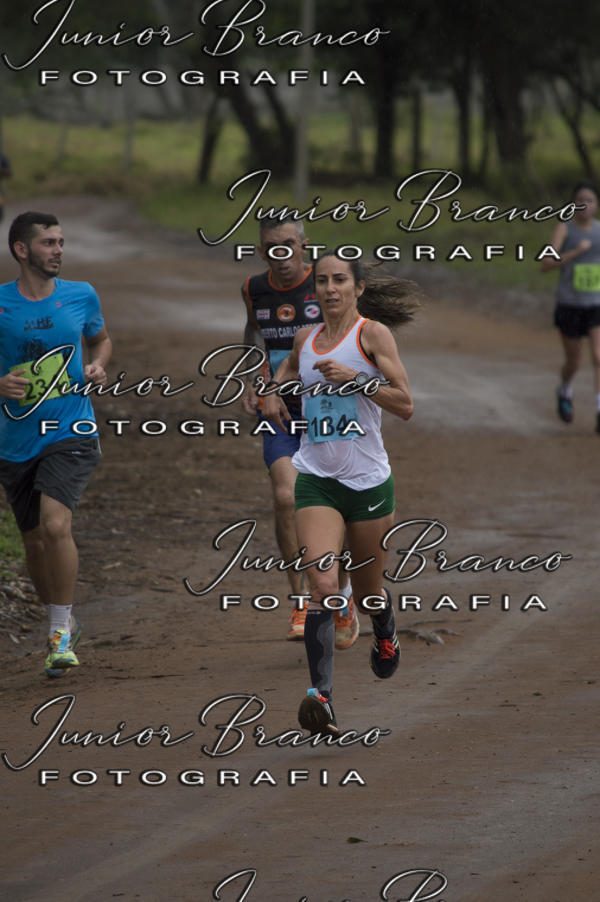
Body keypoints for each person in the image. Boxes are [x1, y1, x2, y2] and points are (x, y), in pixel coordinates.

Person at [262, 251, 422, 734]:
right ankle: (321, 696)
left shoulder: (372, 335)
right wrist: (269, 389)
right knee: (325, 588)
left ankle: (386, 630)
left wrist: (359, 380)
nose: (330, 289)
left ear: (357, 289)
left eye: (340, 281)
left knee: (370, 591)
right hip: (316, 478)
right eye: (324, 282)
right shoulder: (305, 338)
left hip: (368, 483)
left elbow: (406, 403)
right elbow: (289, 371)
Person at [0, 212, 112, 677]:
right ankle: (60, 621)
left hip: (70, 429)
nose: (59, 250)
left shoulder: (81, 295)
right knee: (34, 543)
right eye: (48, 242)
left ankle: (60, 634)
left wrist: (98, 366)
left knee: (55, 524)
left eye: (62, 241)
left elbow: (101, 340)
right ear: (22, 250)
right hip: (14, 439)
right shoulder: (1, 304)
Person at [242, 216, 359, 646]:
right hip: (281, 411)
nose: (282, 254)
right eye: (272, 247)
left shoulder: (327, 284)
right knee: (286, 496)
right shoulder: (254, 289)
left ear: (304, 246)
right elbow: (254, 333)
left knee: (336, 505)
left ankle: (339, 592)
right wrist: (256, 380)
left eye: (289, 245)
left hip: (330, 411)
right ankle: (301, 599)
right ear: (262, 251)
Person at [542, 181, 600, 432]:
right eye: (580, 199)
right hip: (569, 305)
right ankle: (564, 390)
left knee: (599, 356)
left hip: (596, 303)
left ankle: (599, 409)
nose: (584, 204)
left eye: (590, 200)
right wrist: (576, 252)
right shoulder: (564, 230)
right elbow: (545, 264)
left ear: (596, 205)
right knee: (574, 361)